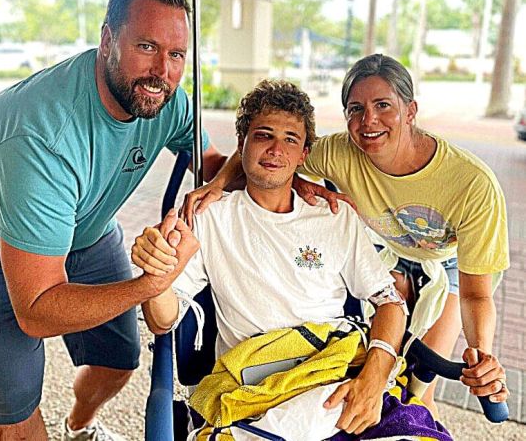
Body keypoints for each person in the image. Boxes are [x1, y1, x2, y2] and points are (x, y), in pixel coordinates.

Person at [0, 0, 227, 441]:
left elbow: (212, 164)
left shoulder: (164, 99)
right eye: (146, 47)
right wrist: (150, 284)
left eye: (176, 54)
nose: (162, 70)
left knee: (118, 358)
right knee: (14, 396)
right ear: (108, 40)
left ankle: (80, 426)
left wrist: (292, 178)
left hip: (87, 227)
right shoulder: (42, 136)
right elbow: (37, 310)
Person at [180, 54, 510, 416]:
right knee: (382, 326)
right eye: (356, 109)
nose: (369, 121)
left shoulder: (472, 185)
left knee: (419, 390)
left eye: (383, 105)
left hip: (447, 263)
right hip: (391, 250)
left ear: (411, 110)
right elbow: (266, 151)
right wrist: (219, 185)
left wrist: (483, 358)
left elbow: (476, 295)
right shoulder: (340, 152)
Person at [132, 79, 408, 436]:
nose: (276, 150)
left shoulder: (335, 215)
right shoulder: (209, 218)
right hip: (254, 391)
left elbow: (389, 302)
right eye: (264, 135)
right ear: (241, 144)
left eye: (290, 139)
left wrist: (375, 377)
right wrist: (157, 276)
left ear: (303, 155)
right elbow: (162, 321)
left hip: (332, 375)